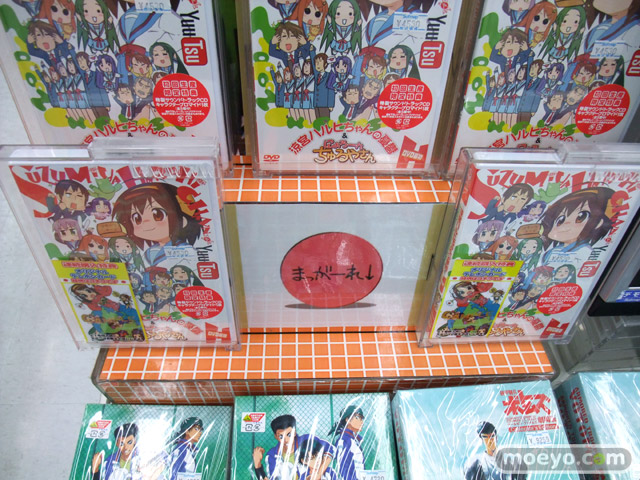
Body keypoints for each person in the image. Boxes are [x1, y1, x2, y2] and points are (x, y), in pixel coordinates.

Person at [253, 415, 334, 480]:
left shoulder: (306, 440)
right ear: (276, 437)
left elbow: (331, 449)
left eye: (289, 434)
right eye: (281, 436)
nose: (286, 440)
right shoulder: (272, 455)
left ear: (294, 432)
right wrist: (257, 465)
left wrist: (319, 474)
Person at [330, 405, 366, 480]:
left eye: (362, 418)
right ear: (347, 419)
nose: (361, 422)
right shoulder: (344, 441)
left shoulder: (354, 441)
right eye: (357, 417)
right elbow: (343, 469)